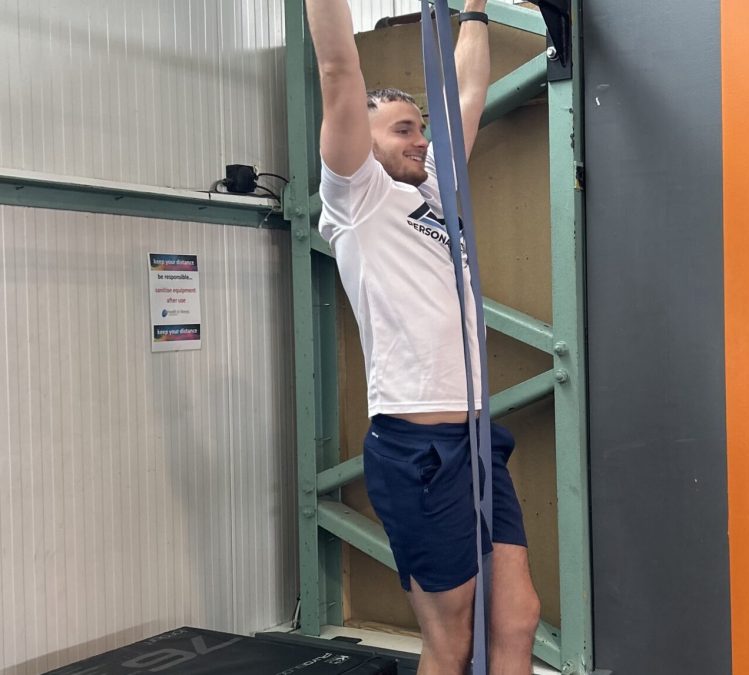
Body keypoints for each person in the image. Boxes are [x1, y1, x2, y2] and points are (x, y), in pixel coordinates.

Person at [306, 2, 541, 674]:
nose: (419, 140)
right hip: (419, 450)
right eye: (403, 129)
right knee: (452, 636)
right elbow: (338, 69)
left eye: (421, 128)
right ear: (364, 140)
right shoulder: (357, 197)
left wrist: (475, 11)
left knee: (517, 616)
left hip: (476, 440)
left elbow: (467, 91)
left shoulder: (437, 189)